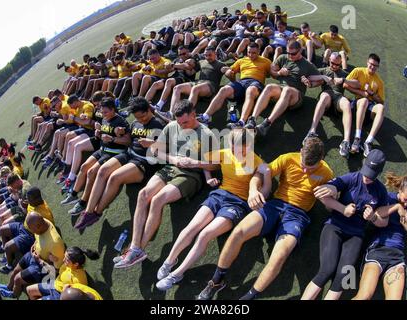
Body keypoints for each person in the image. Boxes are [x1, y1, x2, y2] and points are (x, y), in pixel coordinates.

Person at [197, 137, 334, 300]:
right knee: (238, 232)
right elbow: (261, 172)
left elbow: (330, 204)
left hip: (297, 216)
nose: (305, 170)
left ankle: (248, 297)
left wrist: (331, 192)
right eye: (303, 165)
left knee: (280, 255)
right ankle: (216, 281)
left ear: (321, 159)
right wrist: (253, 189)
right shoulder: (288, 158)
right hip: (274, 205)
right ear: (301, 151)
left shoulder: (326, 172)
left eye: (310, 168)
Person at [113, 100, 219, 269]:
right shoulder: (172, 127)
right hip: (170, 167)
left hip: (191, 175)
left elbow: (214, 165)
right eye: (179, 122)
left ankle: (139, 250)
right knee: (143, 195)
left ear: (194, 114)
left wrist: (194, 163)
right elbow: (156, 150)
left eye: (186, 122)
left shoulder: (206, 134)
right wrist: (173, 158)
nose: (182, 126)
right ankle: (133, 248)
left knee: (157, 200)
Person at [156, 129, 265, 291]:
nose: (238, 153)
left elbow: (259, 185)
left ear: (249, 145)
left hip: (237, 204)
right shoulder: (224, 153)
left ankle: (177, 274)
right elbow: (206, 163)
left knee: (205, 234)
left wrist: (255, 192)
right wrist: (208, 178)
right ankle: (169, 262)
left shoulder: (258, 163)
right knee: (191, 228)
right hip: (218, 195)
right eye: (234, 149)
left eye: (242, 149)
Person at [301, 149, 389, 300]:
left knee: (345, 277)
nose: (367, 177)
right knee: (327, 269)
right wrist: (343, 209)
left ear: (379, 172)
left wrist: (373, 218)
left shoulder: (381, 191)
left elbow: (384, 222)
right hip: (335, 226)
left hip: (356, 235)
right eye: (366, 172)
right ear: (363, 163)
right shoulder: (352, 178)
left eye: (371, 175)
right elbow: (323, 194)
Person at [67, 98, 164, 227]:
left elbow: (168, 148)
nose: (141, 120)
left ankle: (96, 213)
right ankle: (88, 212)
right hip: (128, 153)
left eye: (143, 117)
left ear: (148, 110)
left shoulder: (159, 124)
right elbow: (129, 141)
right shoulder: (135, 123)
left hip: (144, 161)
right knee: (101, 171)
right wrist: (120, 134)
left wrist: (152, 144)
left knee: (114, 178)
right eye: (137, 118)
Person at [62, 97, 131, 221]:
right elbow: (101, 133)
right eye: (102, 112)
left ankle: (82, 203)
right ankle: (73, 195)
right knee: (83, 167)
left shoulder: (121, 122)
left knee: (91, 172)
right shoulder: (105, 119)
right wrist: (98, 133)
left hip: (113, 153)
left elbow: (127, 141)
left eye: (105, 112)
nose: (103, 115)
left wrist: (113, 139)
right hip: (102, 150)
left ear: (113, 110)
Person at [353, 173, 407, 300]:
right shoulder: (388, 197)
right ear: (399, 190)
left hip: (397, 258)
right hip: (378, 250)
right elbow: (376, 214)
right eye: (406, 199)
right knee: (364, 297)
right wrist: (397, 207)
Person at [247, 40, 320, 136]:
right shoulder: (283, 58)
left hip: (296, 96)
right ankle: (252, 119)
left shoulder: (307, 64)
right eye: (288, 53)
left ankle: (266, 124)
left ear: (300, 51)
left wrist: (310, 84)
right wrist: (279, 73)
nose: (290, 56)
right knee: (269, 87)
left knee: (287, 90)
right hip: (281, 89)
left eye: (293, 54)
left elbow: (319, 80)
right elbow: (272, 71)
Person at [197, 42, 272, 128]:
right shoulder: (241, 60)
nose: (251, 55)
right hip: (242, 82)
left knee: (250, 90)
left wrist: (279, 72)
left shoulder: (266, 61)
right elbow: (231, 70)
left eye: (254, 53)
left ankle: (242, 122)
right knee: (223, 90)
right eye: (249, 52)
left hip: (256, 82)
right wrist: (229, 72)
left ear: (259, 51)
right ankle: (205, 116)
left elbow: (273, 74)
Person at [0, 213, 65, 299]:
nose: (31, 232)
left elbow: (57, 270)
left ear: (39, 226)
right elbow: (38, 238)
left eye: (32, 229)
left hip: (41, 267)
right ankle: (9, 287)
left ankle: (14, 294)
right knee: (16, 270)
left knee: (17, 279)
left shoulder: (55, 244)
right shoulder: (43, 222)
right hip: (33, 254)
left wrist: (39, 260)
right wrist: (34, 245)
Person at [303, 52, 360, 158]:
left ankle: (346, 141)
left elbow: (357, 84)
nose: (334, 66)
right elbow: (309, 76)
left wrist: (344, 80)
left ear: (341, 64)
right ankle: (312, 131)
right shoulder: (325, 70)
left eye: (337, 65)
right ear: (329, 60)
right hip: (327, 96)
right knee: (324, 96)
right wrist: (323, 77)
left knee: (347, 103)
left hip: (338, 98)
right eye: (333, 63)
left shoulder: (343, 72)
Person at [157, 46, 226, 122]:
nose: (207, 57)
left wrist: (227, 72)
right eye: (206, 55)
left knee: (195, 89)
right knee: (177, 88)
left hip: (210, 85)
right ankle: (171, 114)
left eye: (210, 55)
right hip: (198, 83)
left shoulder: (221, 64)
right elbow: (190, 71)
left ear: (215, 53)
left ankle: (185, 114)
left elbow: (228, 73)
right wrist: (177, 65)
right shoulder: (201, 62)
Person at [343, 53, 385, 157]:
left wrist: (371, 93)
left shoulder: (379, 81)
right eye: (371, 64)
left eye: (375, 65)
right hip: (357, 105)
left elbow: (381, 101)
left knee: (381, 108)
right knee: (364, 101)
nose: (372, 67)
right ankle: (357, 138)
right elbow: (345, 84)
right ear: (367, 62)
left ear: (378, 67)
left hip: (369, 109)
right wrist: (362, 93)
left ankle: (368, 141)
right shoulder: (358, 71)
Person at [27, 247, 99, 300]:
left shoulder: (79, 280)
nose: (63, 260)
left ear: (76, 264)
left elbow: (72, 296)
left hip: (59, 295)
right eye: (64, 256)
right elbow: (57, 272)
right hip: (55, 285)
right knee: (29, 290)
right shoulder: (67, 265)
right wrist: (45, 260)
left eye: (67, 259)